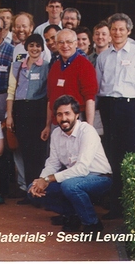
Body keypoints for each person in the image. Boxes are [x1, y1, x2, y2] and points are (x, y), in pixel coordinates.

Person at [96, 13, 135, 219]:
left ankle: (131, 205)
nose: (117, 33)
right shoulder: (103, 56)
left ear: (129, 31)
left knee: (129, 157)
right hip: (108, 107)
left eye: (121, 29)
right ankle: (115, 205)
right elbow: (99, 86)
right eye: (114, 29)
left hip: (129, 108)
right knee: (111, 155)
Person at [28, 95, 112, 233]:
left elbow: (82, 169)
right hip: (74, 178)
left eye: (67, 113)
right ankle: (73, 216)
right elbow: (53, 163)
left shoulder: (87, 131)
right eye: (60, 114)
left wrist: (48, 179)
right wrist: (40, 181)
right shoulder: (56, 134)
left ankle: (93, 224)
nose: (63, 118)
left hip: (100, 178)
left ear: (77, 115)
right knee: (32, 189)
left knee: (70, 186)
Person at [5, 34, 50, 192]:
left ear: (42, 48)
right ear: (26, 48)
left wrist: (47, 123)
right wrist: (9, 115)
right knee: (24, 151)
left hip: (38, 110)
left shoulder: (46, 66)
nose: (35, 49)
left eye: (38, 46)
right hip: (20, 110)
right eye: (31, 45)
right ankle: (28, 190)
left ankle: (39, 190)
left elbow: (48, 94)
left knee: (37, 153)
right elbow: (11, 92)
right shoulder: (16, 66)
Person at [47, 29, 97, 128]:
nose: (65, 45)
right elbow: (50, 99)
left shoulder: (85, 65)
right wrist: (47, 126)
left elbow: (90, 98)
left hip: (77, 121)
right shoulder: (54, 67)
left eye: (69, 42)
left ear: (75, 44)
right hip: (56, 122)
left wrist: (89, 127)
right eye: (61, 42)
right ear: (56, 45)